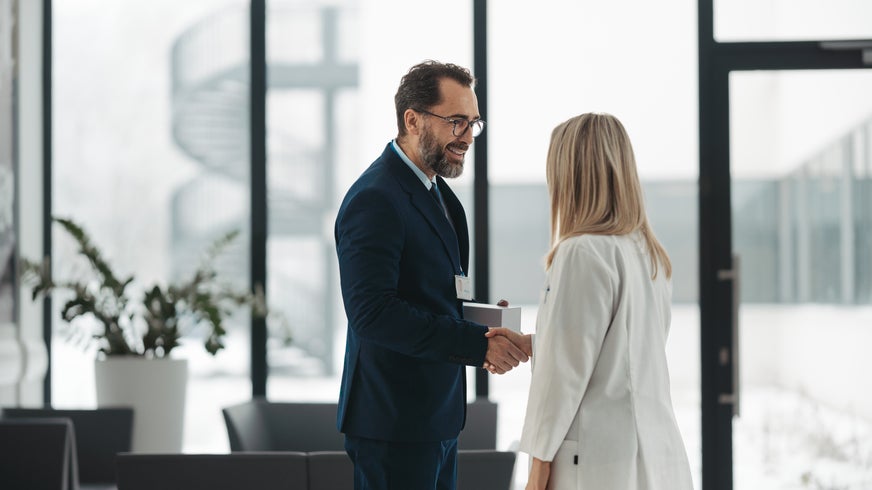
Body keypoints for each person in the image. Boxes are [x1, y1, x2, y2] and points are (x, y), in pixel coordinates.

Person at [334, 60, 530, 490]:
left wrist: (485, 327)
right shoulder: (375, 198)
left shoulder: (442, 197)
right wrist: (473, 347)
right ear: (412, 119)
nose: (466, 137)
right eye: (456, 121)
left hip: (437, 419)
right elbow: (373, 313)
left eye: (473, 123)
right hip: (393, 423)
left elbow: (436, 297)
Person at [491, 113, 693, 490]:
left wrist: (537, 471)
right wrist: (539, 343)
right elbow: (622, 350)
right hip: (657, 455)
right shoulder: (649, 253)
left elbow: (562, 377)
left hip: (599, 463)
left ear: (572, 176)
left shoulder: (581, 251)